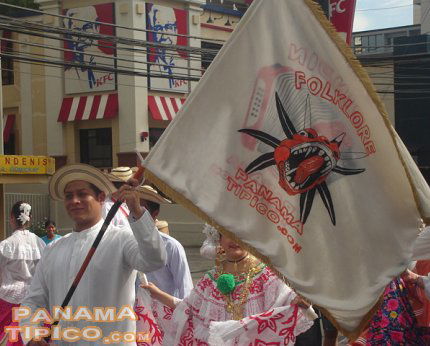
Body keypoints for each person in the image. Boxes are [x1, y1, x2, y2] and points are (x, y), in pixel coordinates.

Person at [19, 163, 167, 346]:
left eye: (82, 194)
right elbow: (32, 301)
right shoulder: (53, 249)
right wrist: (32, 336)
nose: (74, 201)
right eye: (69, 196)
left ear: (101, 198)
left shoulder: (122, 239)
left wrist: (136, 211)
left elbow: (155, 259)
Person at [141, 225, 315, 345]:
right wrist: (158, 294)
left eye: (241, 234)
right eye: (227, 233)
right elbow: (188, 310)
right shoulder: (211, 279)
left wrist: (302, 302)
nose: (234, 239)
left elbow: (288, 301)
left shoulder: (266, 274)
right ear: (218, 238)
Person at [0, 201, 45, 346]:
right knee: (30, 337)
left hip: (8, 297)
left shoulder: (6, 245)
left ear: (11, 217)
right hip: (35, 296)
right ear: (29, 217)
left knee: (7, 338)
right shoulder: (40, 243)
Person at [136, 185, 192, 299]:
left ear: (155, 214)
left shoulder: (171, 247)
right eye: (131, 208)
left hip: (163, 313)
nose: (134, 213)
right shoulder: (124, 241)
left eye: (140, 209)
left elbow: (185, 289)